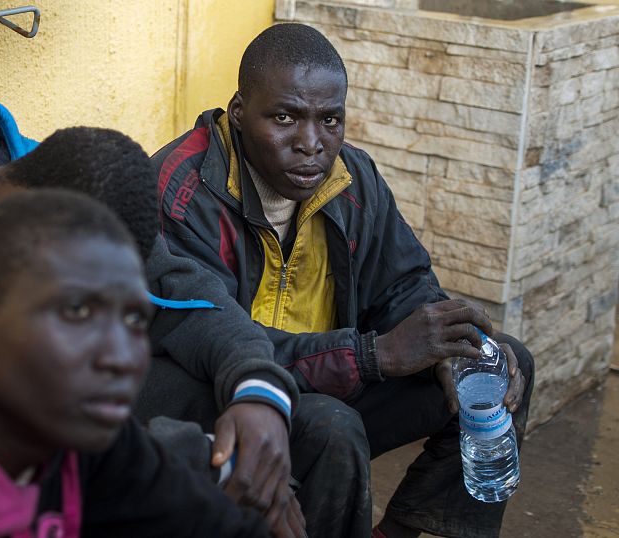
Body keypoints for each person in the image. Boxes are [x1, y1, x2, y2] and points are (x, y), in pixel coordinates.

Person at [0, 101, 305, 536]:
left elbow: (180, 288)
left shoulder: (61, 187)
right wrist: (220, 460)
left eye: (130, 316)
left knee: (310, 430)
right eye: (78, 308)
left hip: (59, 423)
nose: (121, 357)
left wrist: (258, 390)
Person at [153, 23, 535, 538]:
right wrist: (375, 355)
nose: (311, 144)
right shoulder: (183, 194)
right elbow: (221, 342)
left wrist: (445, 346)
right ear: (240, 113)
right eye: (284, 118)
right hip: (228, 400)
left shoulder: (351, 178)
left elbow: (402, 283)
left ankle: (399, 531)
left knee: (493, 362)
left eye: (329, 119)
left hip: (333, 374)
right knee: (333, 427)